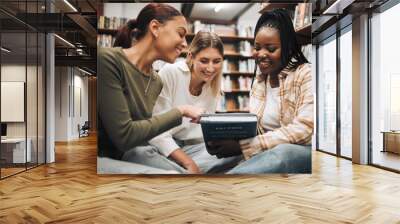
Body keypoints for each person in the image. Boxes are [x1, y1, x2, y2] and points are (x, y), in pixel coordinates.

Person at [97, 3, 204, 173]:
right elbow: (125, 136)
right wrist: (180, 111)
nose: (185, 44)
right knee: (170, 178)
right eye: (181, 34)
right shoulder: (108, 60)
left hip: (133, 153)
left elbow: (142, 134)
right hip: (100, 159)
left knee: (183, 176)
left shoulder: (156, 81)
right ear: (155, 28)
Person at [208, 8, 313, 174]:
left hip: (300, 150)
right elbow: (257, 127)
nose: (261, 55)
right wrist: (232, 135)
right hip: (266, 148)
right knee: (215, 163)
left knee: (282, 153)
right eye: (257, 47)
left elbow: (306, 130)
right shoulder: (259, 79)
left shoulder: (305, 73)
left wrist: (244, 146)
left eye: (270, 49)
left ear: (288, 48)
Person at [149, 31, 242, 174]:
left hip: (198, 148)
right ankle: (187, 170)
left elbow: (204, 130)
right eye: (204, 61)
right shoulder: (171, 73)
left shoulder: (214, 85)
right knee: (139, 153)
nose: (210, 68)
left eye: (216, 61)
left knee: (242, 153)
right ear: (191, 56)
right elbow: (157, 133)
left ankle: (182, 172)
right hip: (167, 146)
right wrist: (188, 162)